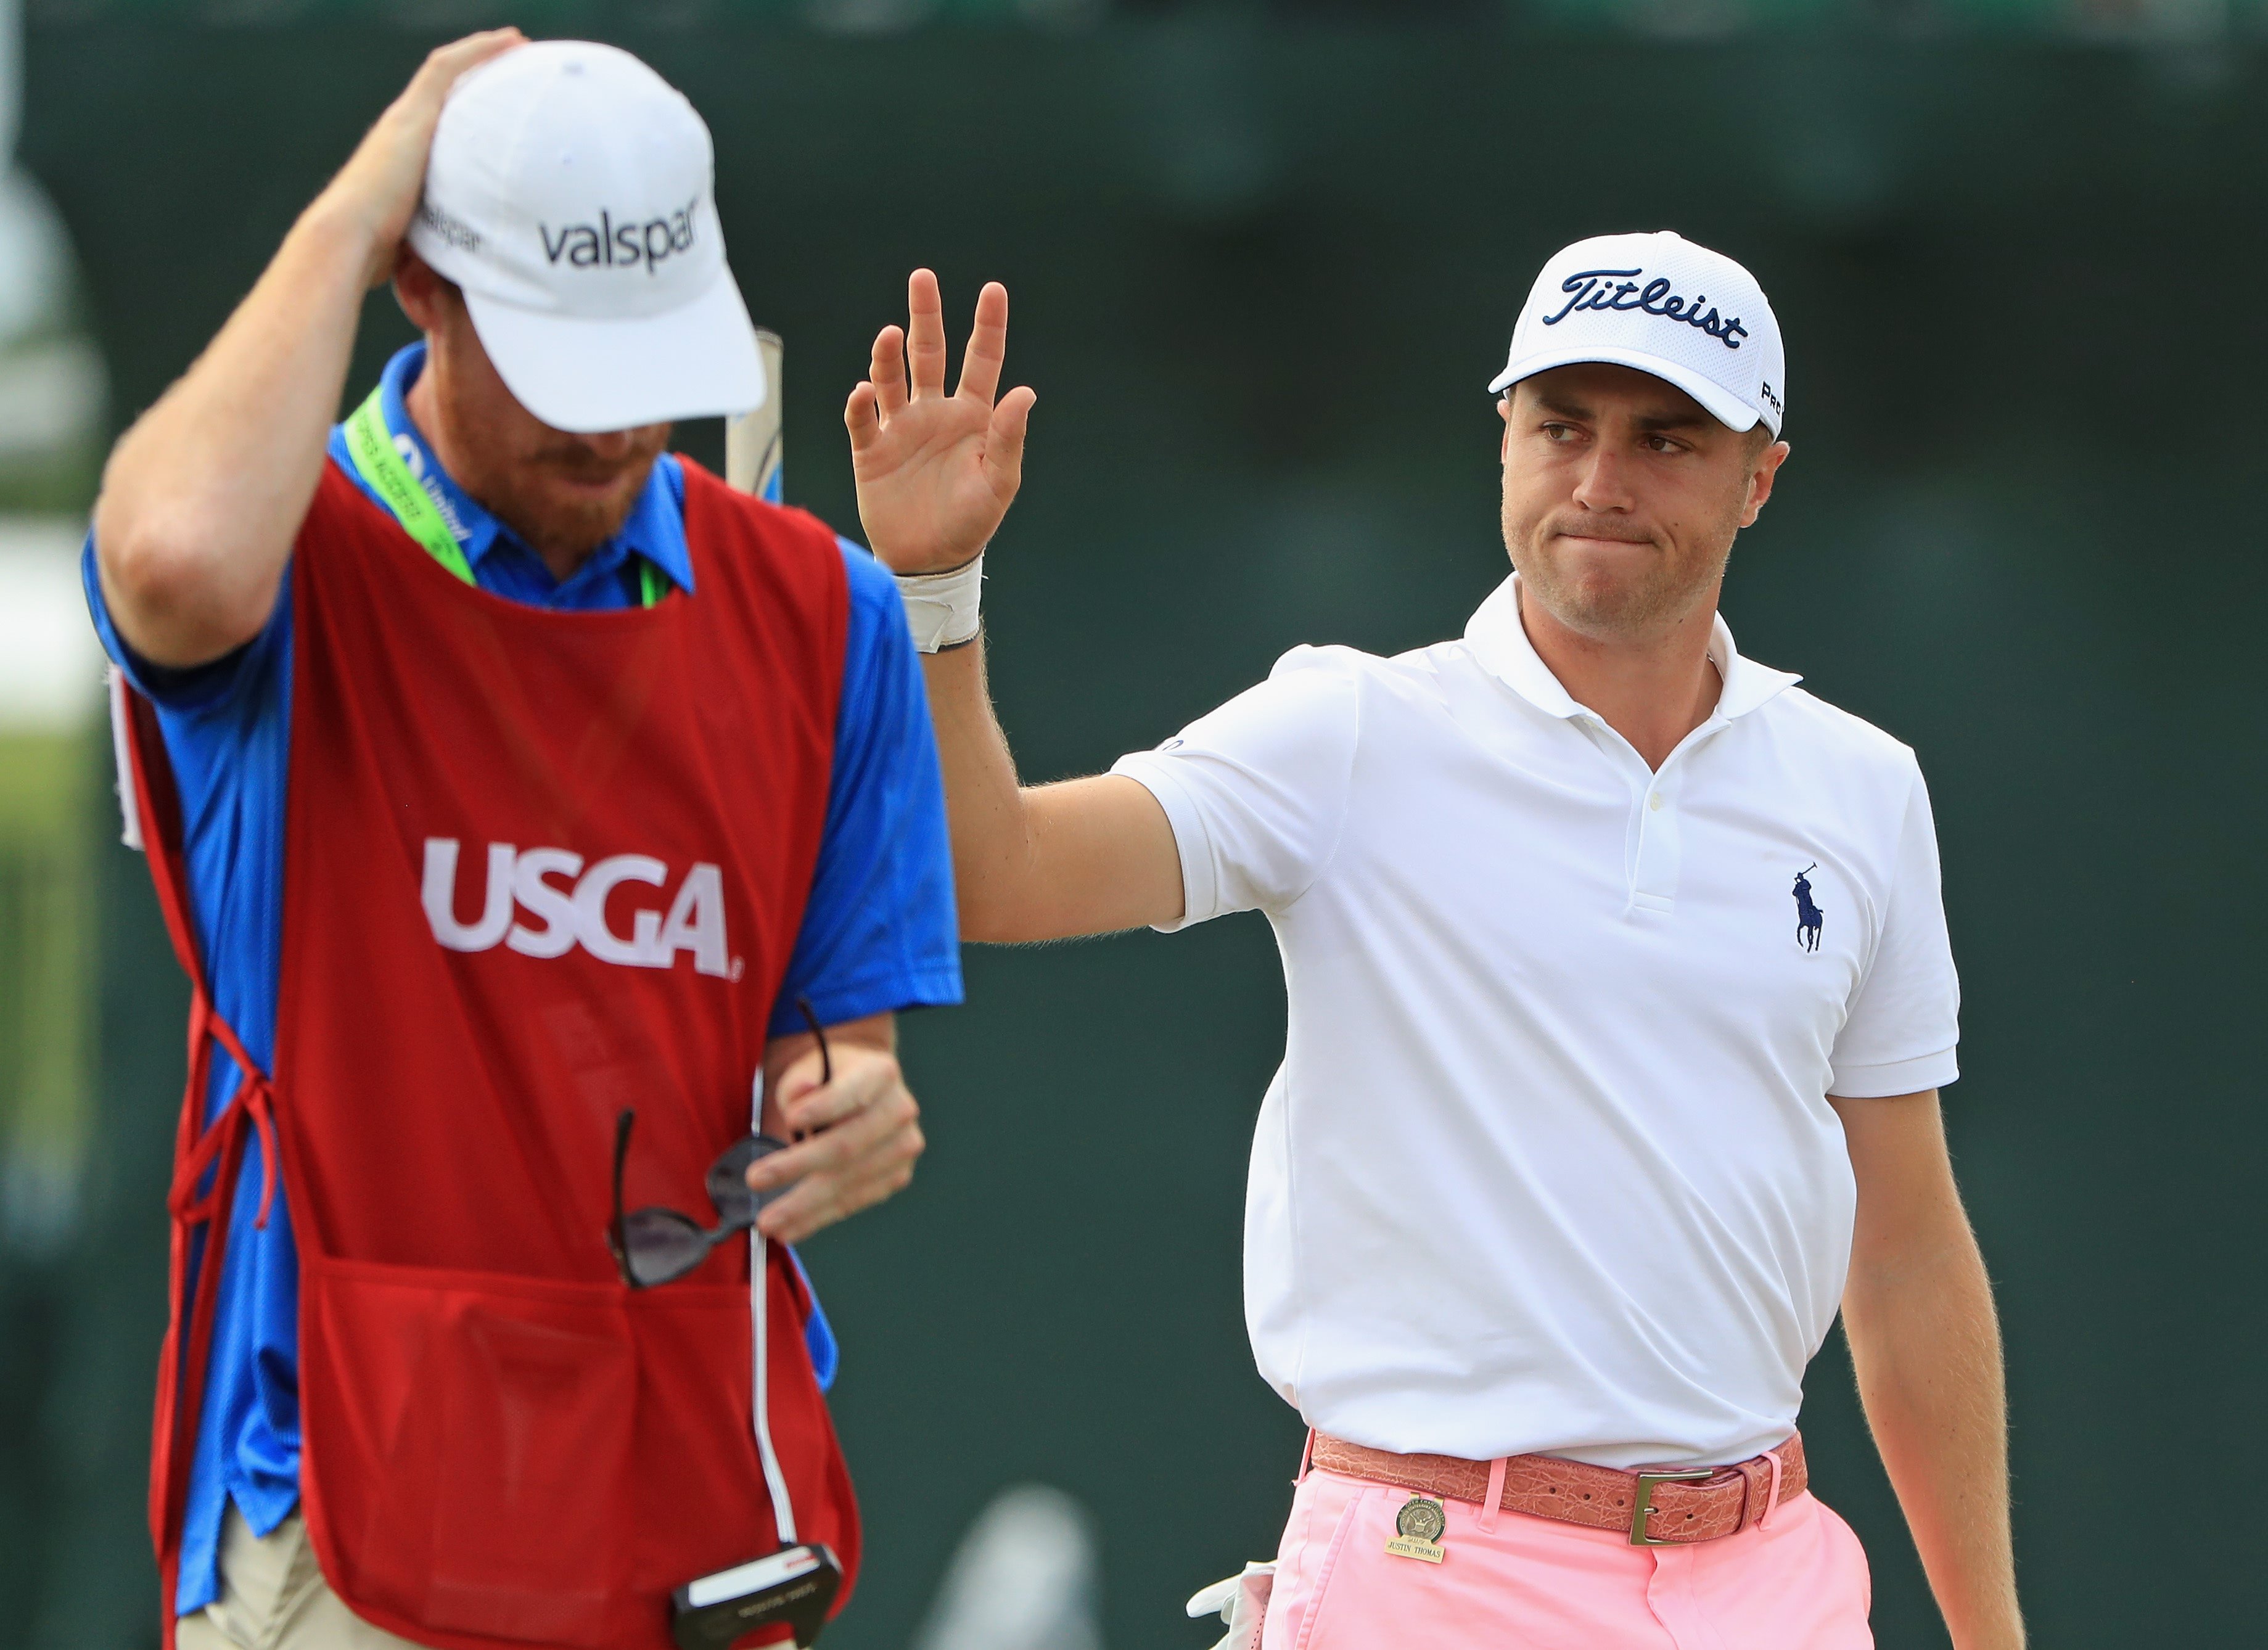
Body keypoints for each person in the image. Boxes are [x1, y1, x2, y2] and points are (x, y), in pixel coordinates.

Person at [844, 237, 2023, 1648]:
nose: (1600, 482)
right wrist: (934, 595)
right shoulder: (1352, 731)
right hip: (1432, 1570)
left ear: (1760, 477)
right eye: (1560, 428)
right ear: (1506, 441)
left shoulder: (1863, 788)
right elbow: (992, 876)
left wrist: (1992, 1633)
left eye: (1667, 440)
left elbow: (1906, 1250)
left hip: (1774, 1576)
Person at [86, 33, 958, 1650]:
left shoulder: (822, 614)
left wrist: (849, 1105)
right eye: (565, 367)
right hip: (347, 1500)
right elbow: (172, 556)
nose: (612, 428)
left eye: (642, 366)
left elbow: (831, 1041)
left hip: (685, 1500)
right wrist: (367, 195)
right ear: (420, 290)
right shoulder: (295, 565)